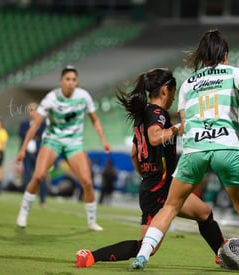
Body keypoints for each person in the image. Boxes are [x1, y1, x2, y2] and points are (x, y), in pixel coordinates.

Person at [129, 29, 239, 274]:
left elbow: (185, 126)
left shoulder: (188, 83)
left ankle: (142, 257)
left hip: (195, 149)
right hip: (227, 147)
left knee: (170, 207)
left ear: (202, 56)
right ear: (224, 55)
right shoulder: (233, 72)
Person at [75, 68, 225, 267]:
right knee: (147, 247)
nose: (173, 97)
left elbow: (134, 154)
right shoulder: (157, 114)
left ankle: (223, 254)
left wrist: (146, 175)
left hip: (161, 185)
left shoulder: (143, 115)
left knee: (204, 213)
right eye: (173, 91)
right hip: (158, 189)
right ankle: (92, 256)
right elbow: (155, 138)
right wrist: (177, 128)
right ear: (164, 90)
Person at [15, 65, 111, 231]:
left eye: (74, 79)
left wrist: (103, 140)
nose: (71, 82)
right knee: (38, 176)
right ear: (61, 81)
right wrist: (23, 148)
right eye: (67, 79)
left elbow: (95, 119)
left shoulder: (84, 96)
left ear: (77, 82)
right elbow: (36, 124)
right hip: (52, 141)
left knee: (87, 182)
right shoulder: (51, 98)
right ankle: (23, 212)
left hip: (74, 143)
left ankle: (91, 221)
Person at [19, 102, 47, 207]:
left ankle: (43, 199)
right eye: (31, 110)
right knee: (26, 176)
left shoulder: (43, 124)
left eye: (35, 110)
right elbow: (22, 136)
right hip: (27, 154)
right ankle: (27, 200)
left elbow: (43, 135)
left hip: (39, 153)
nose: (33, 113)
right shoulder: (24, 124)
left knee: (40, 177)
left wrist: (31, 135)